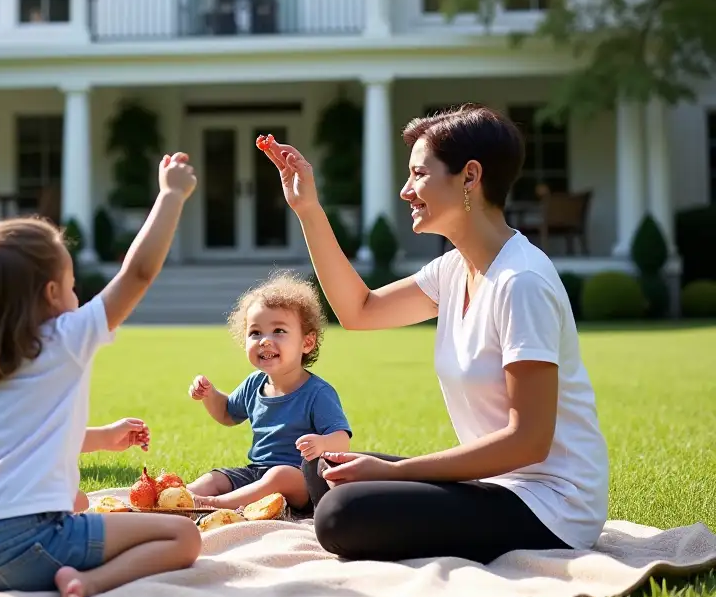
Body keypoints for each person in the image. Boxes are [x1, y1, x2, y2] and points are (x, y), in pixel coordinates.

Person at [257, 106, 609, 563]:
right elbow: (358, 310)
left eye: (419, 174)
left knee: (340, 513)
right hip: (496, 485)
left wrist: (395, 472)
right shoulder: (454, 270)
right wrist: (308, 210)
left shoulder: (521, 282)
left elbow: (529, 441)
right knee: (322, 468)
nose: (406, 191)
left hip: (552, 506)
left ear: (470, 177)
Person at [0, 154, 202, 597]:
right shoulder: (65, 337)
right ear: (52, 295)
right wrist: (171, 195)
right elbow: (137, 274)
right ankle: (87, 583)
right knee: (184, 536)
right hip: (28, 549)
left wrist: (101, 438)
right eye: (73, 284)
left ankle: (63, 558)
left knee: (76, 500)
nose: (79, 296)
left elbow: (19, 442)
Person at [185, 272, 351, 513]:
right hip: (257, 471)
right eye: (255, 333)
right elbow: (227, 413)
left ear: (307, 342)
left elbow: (342, 439)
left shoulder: (317, 393)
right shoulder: (255, 384)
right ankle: (179, 497)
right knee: (215, 478)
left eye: (279, 331)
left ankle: (221, 505)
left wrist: (323, 443)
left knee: (279, 475)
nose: (264, 341)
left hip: (303, 481)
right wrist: (209, 394)